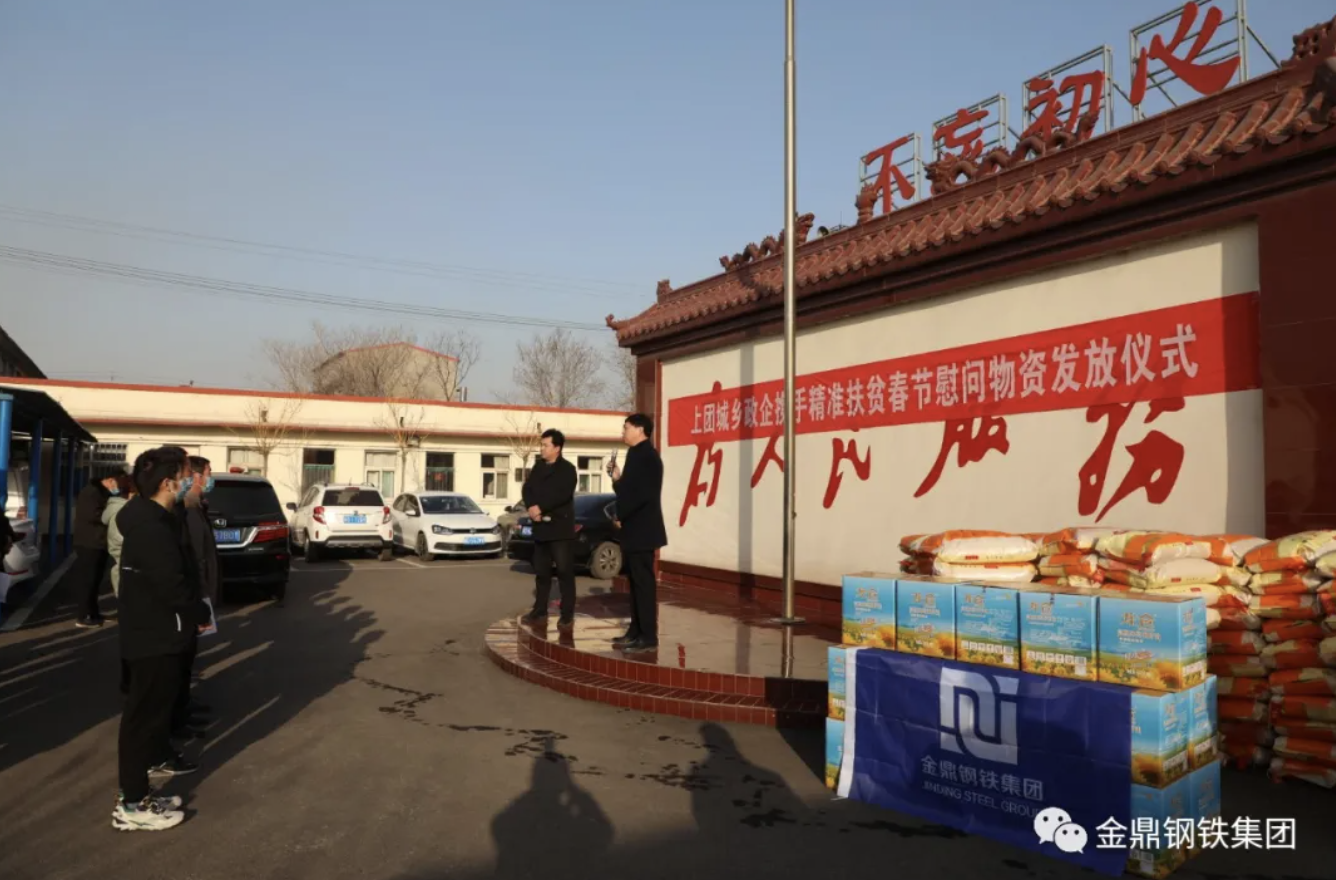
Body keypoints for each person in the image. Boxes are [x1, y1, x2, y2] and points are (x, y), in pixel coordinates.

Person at [113, 446, 206, 831]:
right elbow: (172, 585)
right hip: (155, 638)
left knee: (150, 719)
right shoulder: (152, 529)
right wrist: (198, 613)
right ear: (168, 482)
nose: (191, 481)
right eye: (186, 475)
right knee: (142, 722)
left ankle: (140, 793)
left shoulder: (153, 519)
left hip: (155, 634)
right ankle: (133, 805)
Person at [609, 413, 667, 653]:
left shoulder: (647, 457)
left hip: (643, 529)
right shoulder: (635, 454)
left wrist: (621, 515)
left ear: (640, 429)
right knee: (635, 583)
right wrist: (617, 479)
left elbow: (643, 495)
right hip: (634, 529)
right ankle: (635, 631)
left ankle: (648, 636)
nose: (623, 432)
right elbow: (628, 491)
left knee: (644, 585)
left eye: (626, 427)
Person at [172, 455, 217, 738]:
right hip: (195, 595)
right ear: (197, 477)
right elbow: (195, 559)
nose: (211, 478)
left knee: (189, 658)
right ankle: (178, 715)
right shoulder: (188, 510)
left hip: (201, 592)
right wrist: (201, 598)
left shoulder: (196, 506)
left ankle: (184, 705)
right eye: (208, 473)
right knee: (182, 658)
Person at [520, 429, 578, 630]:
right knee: (542, 572)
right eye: (541, 445)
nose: (542, 449)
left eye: (546, 445)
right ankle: (540, 609)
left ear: (557, 448)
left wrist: (540, 507)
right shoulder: (538, 467)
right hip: (541, 527)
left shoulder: (568, 470)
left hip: (560, 529)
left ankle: (567, 614)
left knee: (564, 571)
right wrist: (530, 506)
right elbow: (527, 488)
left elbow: (562, 495)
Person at [71, 473, 120, 628]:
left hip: (98, 542)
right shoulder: (92, 492)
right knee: (88, 580)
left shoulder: (100, 493)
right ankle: (83, 616)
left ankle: (93, 613)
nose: (117, 486)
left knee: (95, 580)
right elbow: (94, 515)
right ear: (109, 479)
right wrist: (111, 514)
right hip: (89, 542)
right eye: (117, 482)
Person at [104, 471, 136, 696]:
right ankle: (129, 681)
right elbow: (121, 545)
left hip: (129, 576)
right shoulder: (121, 512)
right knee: (132, 635)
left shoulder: (126, 510)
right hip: (127, 578)